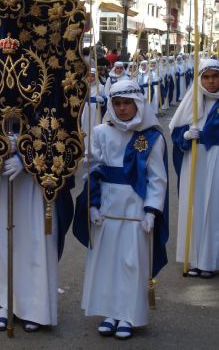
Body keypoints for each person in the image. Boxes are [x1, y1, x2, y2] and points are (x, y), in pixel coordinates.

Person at [73, 79, 168, 340]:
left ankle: (128, 314)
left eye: (128, 103)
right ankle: (109, 312)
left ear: (138, 103)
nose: (123, 108)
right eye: (117, 103)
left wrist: (151, 211)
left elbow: (157, 178)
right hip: (107, 211)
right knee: (106, 263)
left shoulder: (151, 137)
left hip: (136, 212)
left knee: (131, 263)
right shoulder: (101, 132)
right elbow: (92, 169)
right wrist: (91, 204)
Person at [0, 134, 74, 332]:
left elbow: (56, 123)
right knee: (1, 239)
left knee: (32, 238)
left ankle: (36, 307)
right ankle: (6, 302)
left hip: (35, 176)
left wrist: (26, 154)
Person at [169, 59, 219, 278]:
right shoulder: (192, 101)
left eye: (215, 76)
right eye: (206, 77)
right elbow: (175, 131)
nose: (211, 81)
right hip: (195, 160)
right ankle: (194, 258)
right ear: (199, 78)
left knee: (214, 209)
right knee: (195, 206)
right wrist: (186, 135)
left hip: (216, 161)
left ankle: (211, 260)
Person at [81, 68, 106, 155]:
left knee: (94, 128)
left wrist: (102, 100)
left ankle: (93, 148)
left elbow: (106, 101)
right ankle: (84, 146)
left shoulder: (101, 87)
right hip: (85, 111)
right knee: (84, 128)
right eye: (88, 76)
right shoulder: (83, 86)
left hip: (95, 112)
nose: (90, 78)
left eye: (92, 76)